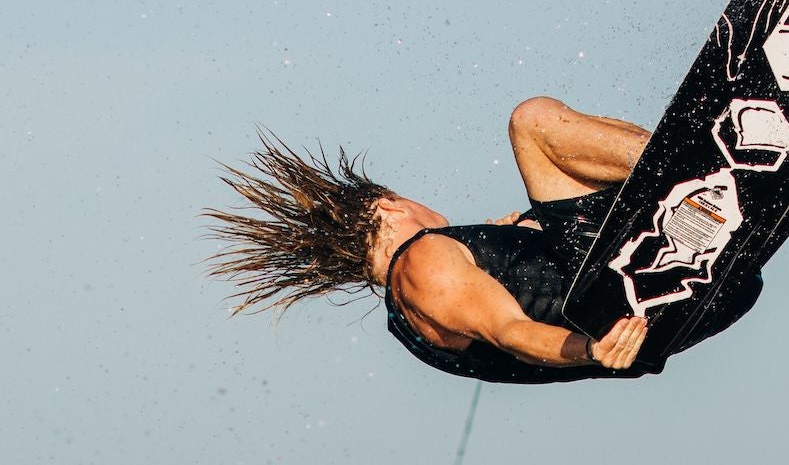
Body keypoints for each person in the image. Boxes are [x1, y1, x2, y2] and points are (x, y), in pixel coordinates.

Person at [203, 97, 657, 383]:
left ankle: (684, 160)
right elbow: (510, 331)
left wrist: (521, 235)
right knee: (534, 120)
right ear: (390, 206)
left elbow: (516, 312)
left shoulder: (412, 319)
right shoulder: (420, 263)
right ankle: (693, 155)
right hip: (620, 293)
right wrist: (593, 349)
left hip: (635, 314)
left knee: (569, 159)